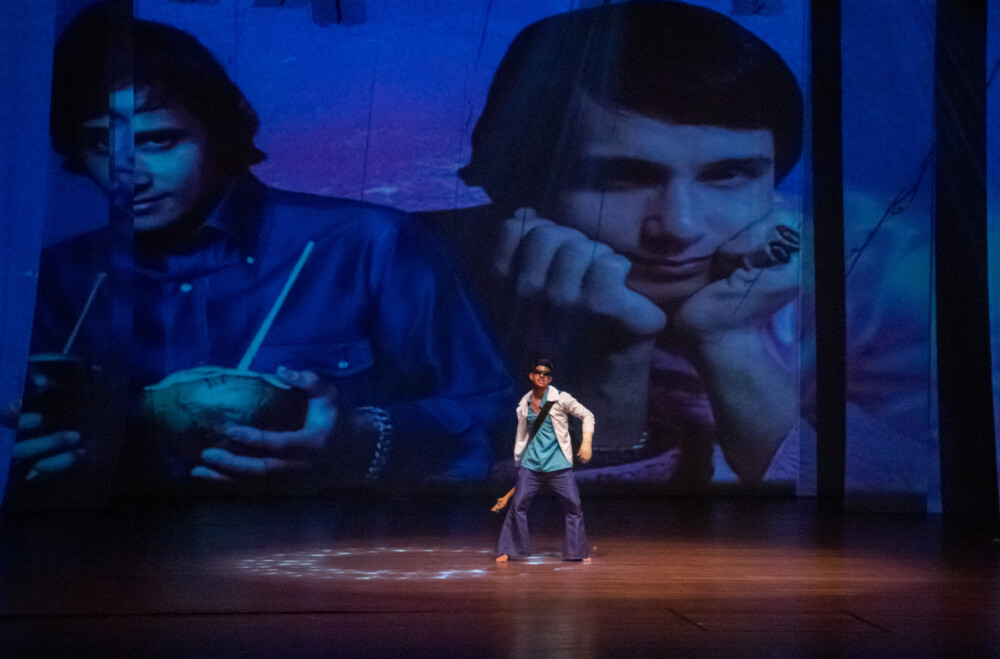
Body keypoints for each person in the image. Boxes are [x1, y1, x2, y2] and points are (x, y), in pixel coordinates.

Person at [7, 1, 511, 501]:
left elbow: (503, 417)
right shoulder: (60, 277)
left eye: (158, 140)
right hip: (111, 550)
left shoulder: (370, 245)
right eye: (101, 144)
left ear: (220, 134)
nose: (129, 177)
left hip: (331, 545)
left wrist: (361, 436)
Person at [429, 2, 804, 489]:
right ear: (516, 180)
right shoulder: (414, 290)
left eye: (727, 174)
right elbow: (544, 528)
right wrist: (610, 364)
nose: (679, 228)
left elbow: (872, 500)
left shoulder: (855, 289)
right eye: (619, 178)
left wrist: (730, 339)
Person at [496, 360, 593, 562]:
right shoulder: (524, 402)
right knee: (518, 505)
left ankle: (576, 552)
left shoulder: (561, 398)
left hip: (559, 466)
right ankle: (509, 549)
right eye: (538, 372)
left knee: (574, 506)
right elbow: (523, 434)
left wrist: (586, 443)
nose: (542, 376)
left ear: (550, 379)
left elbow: (587, 415)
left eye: (546, 374)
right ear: (531, 376)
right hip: (531, 465)